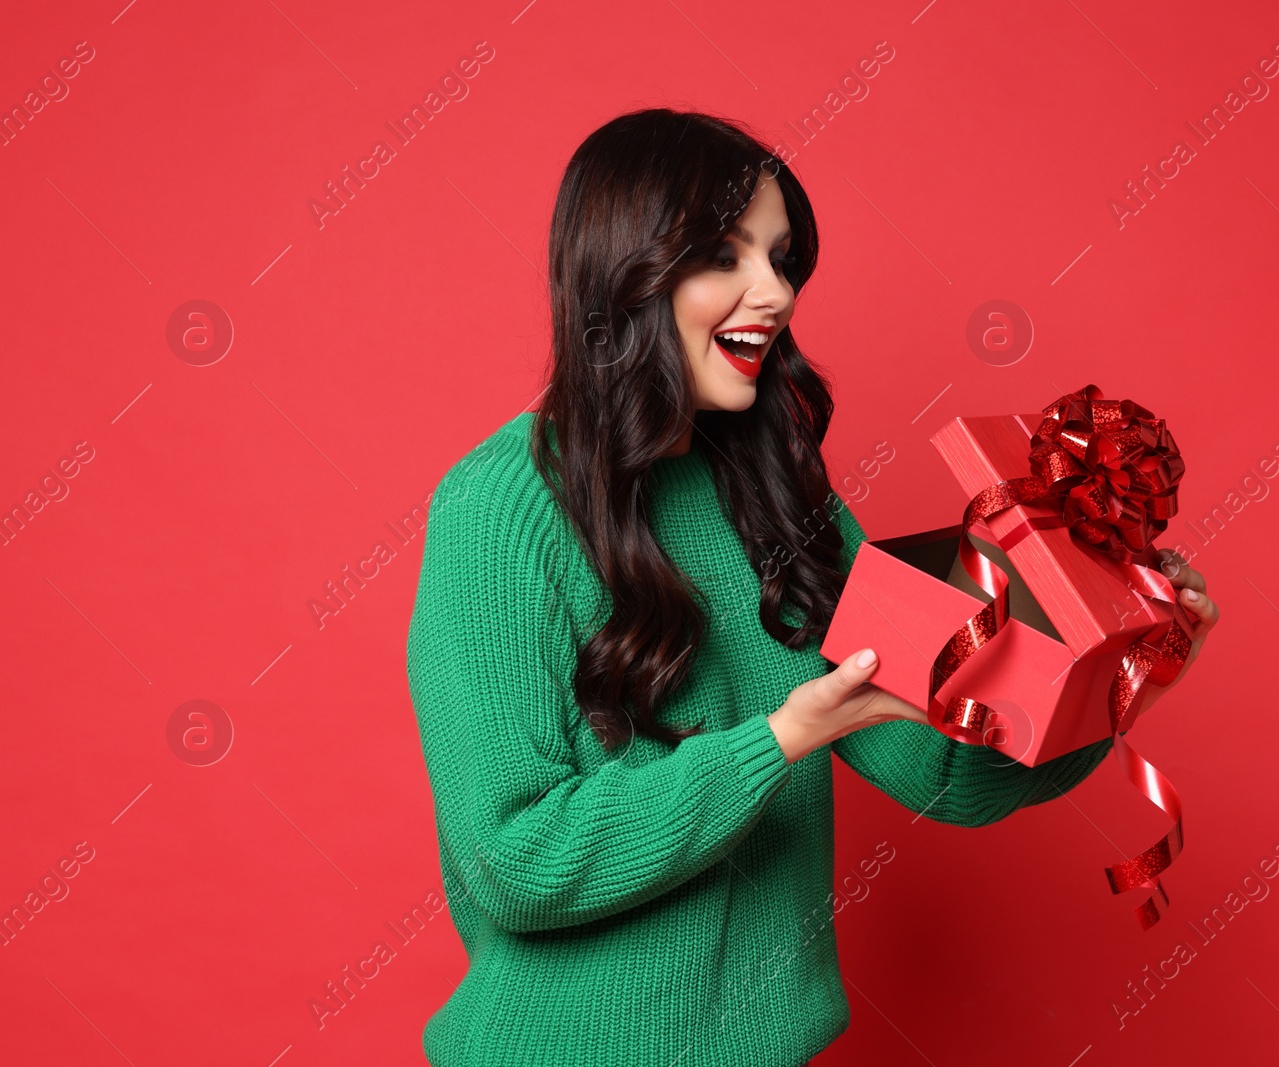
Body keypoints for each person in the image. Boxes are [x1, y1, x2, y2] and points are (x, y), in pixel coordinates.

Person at [405, 107, 1219, 1067]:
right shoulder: (499, 511)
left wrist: (1120, 668)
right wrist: (783, 738)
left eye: (783, 258)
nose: (774, 292)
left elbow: (943, 774)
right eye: (727, 255)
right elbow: (512, 862)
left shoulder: (782, 494)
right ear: (624, 273)